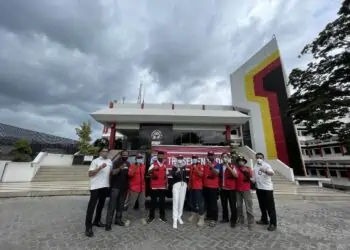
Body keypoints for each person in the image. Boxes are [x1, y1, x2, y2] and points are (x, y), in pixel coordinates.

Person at [85, 147, 112, 237]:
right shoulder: (95, 161)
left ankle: (97, 221)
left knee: (101, 205)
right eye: (103, 151)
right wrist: (100, 168)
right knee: (91, 207)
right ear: (100, 152)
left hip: (105, 186)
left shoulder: (110, 161)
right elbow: (90, 174)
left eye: (107, 151)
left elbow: (110, 173)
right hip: (95, 187)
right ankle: (88, 227)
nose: (105, 153)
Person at [105, 150, 130, 231]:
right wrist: (120, 168)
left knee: (120, 205)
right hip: (115, 187)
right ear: (121, 155)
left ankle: (118, 220)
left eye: (127, 155)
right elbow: (113, 172)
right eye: (124, 155)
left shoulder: (128, 163)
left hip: (124, 188)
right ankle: (108, 223)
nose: (125, 156)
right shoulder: (116, 162)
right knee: (112, 206)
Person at [253, 152, 277, 231]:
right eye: (257, 157)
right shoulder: (255, 166)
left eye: (260, 157)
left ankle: (273, 223)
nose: (258, 159)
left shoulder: (266, 165)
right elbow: (255, 176)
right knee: (262, 206)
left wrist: (266, 171)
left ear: (263, 158)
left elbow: (272, 173)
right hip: (259, 188)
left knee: (270, 207)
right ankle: (264, 219)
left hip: (267, 189)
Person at [125, 152, 147, 225]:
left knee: (142, 204)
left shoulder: (143, 166)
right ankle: (128, 219)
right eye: (138, 158)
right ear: (136, 159)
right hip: (134, 188)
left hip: (142, 188)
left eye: (141, 158)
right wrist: (136, 167)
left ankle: (143, 218)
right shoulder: (132, 166)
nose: (139, 159)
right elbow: (130, 175)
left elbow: (144, 175)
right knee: (131, 204)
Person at [147, 151, 168, 223]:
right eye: (160, 156)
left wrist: (167, 184)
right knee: (153, 202)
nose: (161, 157)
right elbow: (148, 172)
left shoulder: (165, 165)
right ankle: (151, 217)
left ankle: (162, 217)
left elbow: (166, 175)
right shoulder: (153, 164)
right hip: (154, 187)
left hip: (162, 186)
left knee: (162, 202)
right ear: (157, 156)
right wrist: (153, 169)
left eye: (162, 156)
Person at [219, 152, 238, 228]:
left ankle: (233, 220)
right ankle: (225, 218)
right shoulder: (220, 166)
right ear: (221, 158)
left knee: (233, 205)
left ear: (229, 158)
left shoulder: (232, 166)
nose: (225, 158)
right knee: (224, 205)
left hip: (231, 189)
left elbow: (236, 175)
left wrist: (228, 167)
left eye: (226, 157)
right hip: (223, 189)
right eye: (223, 157)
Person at [236, 155, 254, 230]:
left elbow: (251, 176)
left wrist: (246, 172)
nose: (241, 162)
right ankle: (241, 219)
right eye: (240, 161)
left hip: (246, 190)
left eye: (242, 161)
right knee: (239, 206)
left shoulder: (248, 168)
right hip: (237, 190)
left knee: (248, 206)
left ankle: (250, 221)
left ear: (244, 162)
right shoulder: (236, 169)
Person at [202, 151, 220, 227]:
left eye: (211, 155)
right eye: (209, 155)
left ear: (214, 156)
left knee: (213, 204)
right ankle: (209, 216)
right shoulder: (205, 165)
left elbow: (217, 173)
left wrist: (211, 166)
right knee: (207, 202)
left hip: (213, 187)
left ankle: (214, 219)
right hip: (206, 186)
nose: (210, 157)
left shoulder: (217, 165)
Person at [187, 155, 205, 227]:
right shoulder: (191, 166)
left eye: (195, 158)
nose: (194, 159)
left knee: (199, 203)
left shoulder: (200, 166)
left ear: (198, 159)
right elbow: (190, 177)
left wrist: (196, 168)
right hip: (192, 187)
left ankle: (201, 219)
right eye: (193, 158)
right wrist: (189, 185)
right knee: (192, 202)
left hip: (198, 187)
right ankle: (194, 216)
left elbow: (201, 175)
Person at [171, 155, 188, 229]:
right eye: (179, 158)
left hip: (183, 185)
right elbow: (173, 176)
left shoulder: (184, 166)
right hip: (176, 185)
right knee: (175, 202)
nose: (180, 160)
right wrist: (176, 172)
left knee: (181, 202)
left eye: (181, 158)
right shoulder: (174, 167)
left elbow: (185, 176)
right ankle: (174, 220)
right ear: (177, 159)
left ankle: (179, 217)